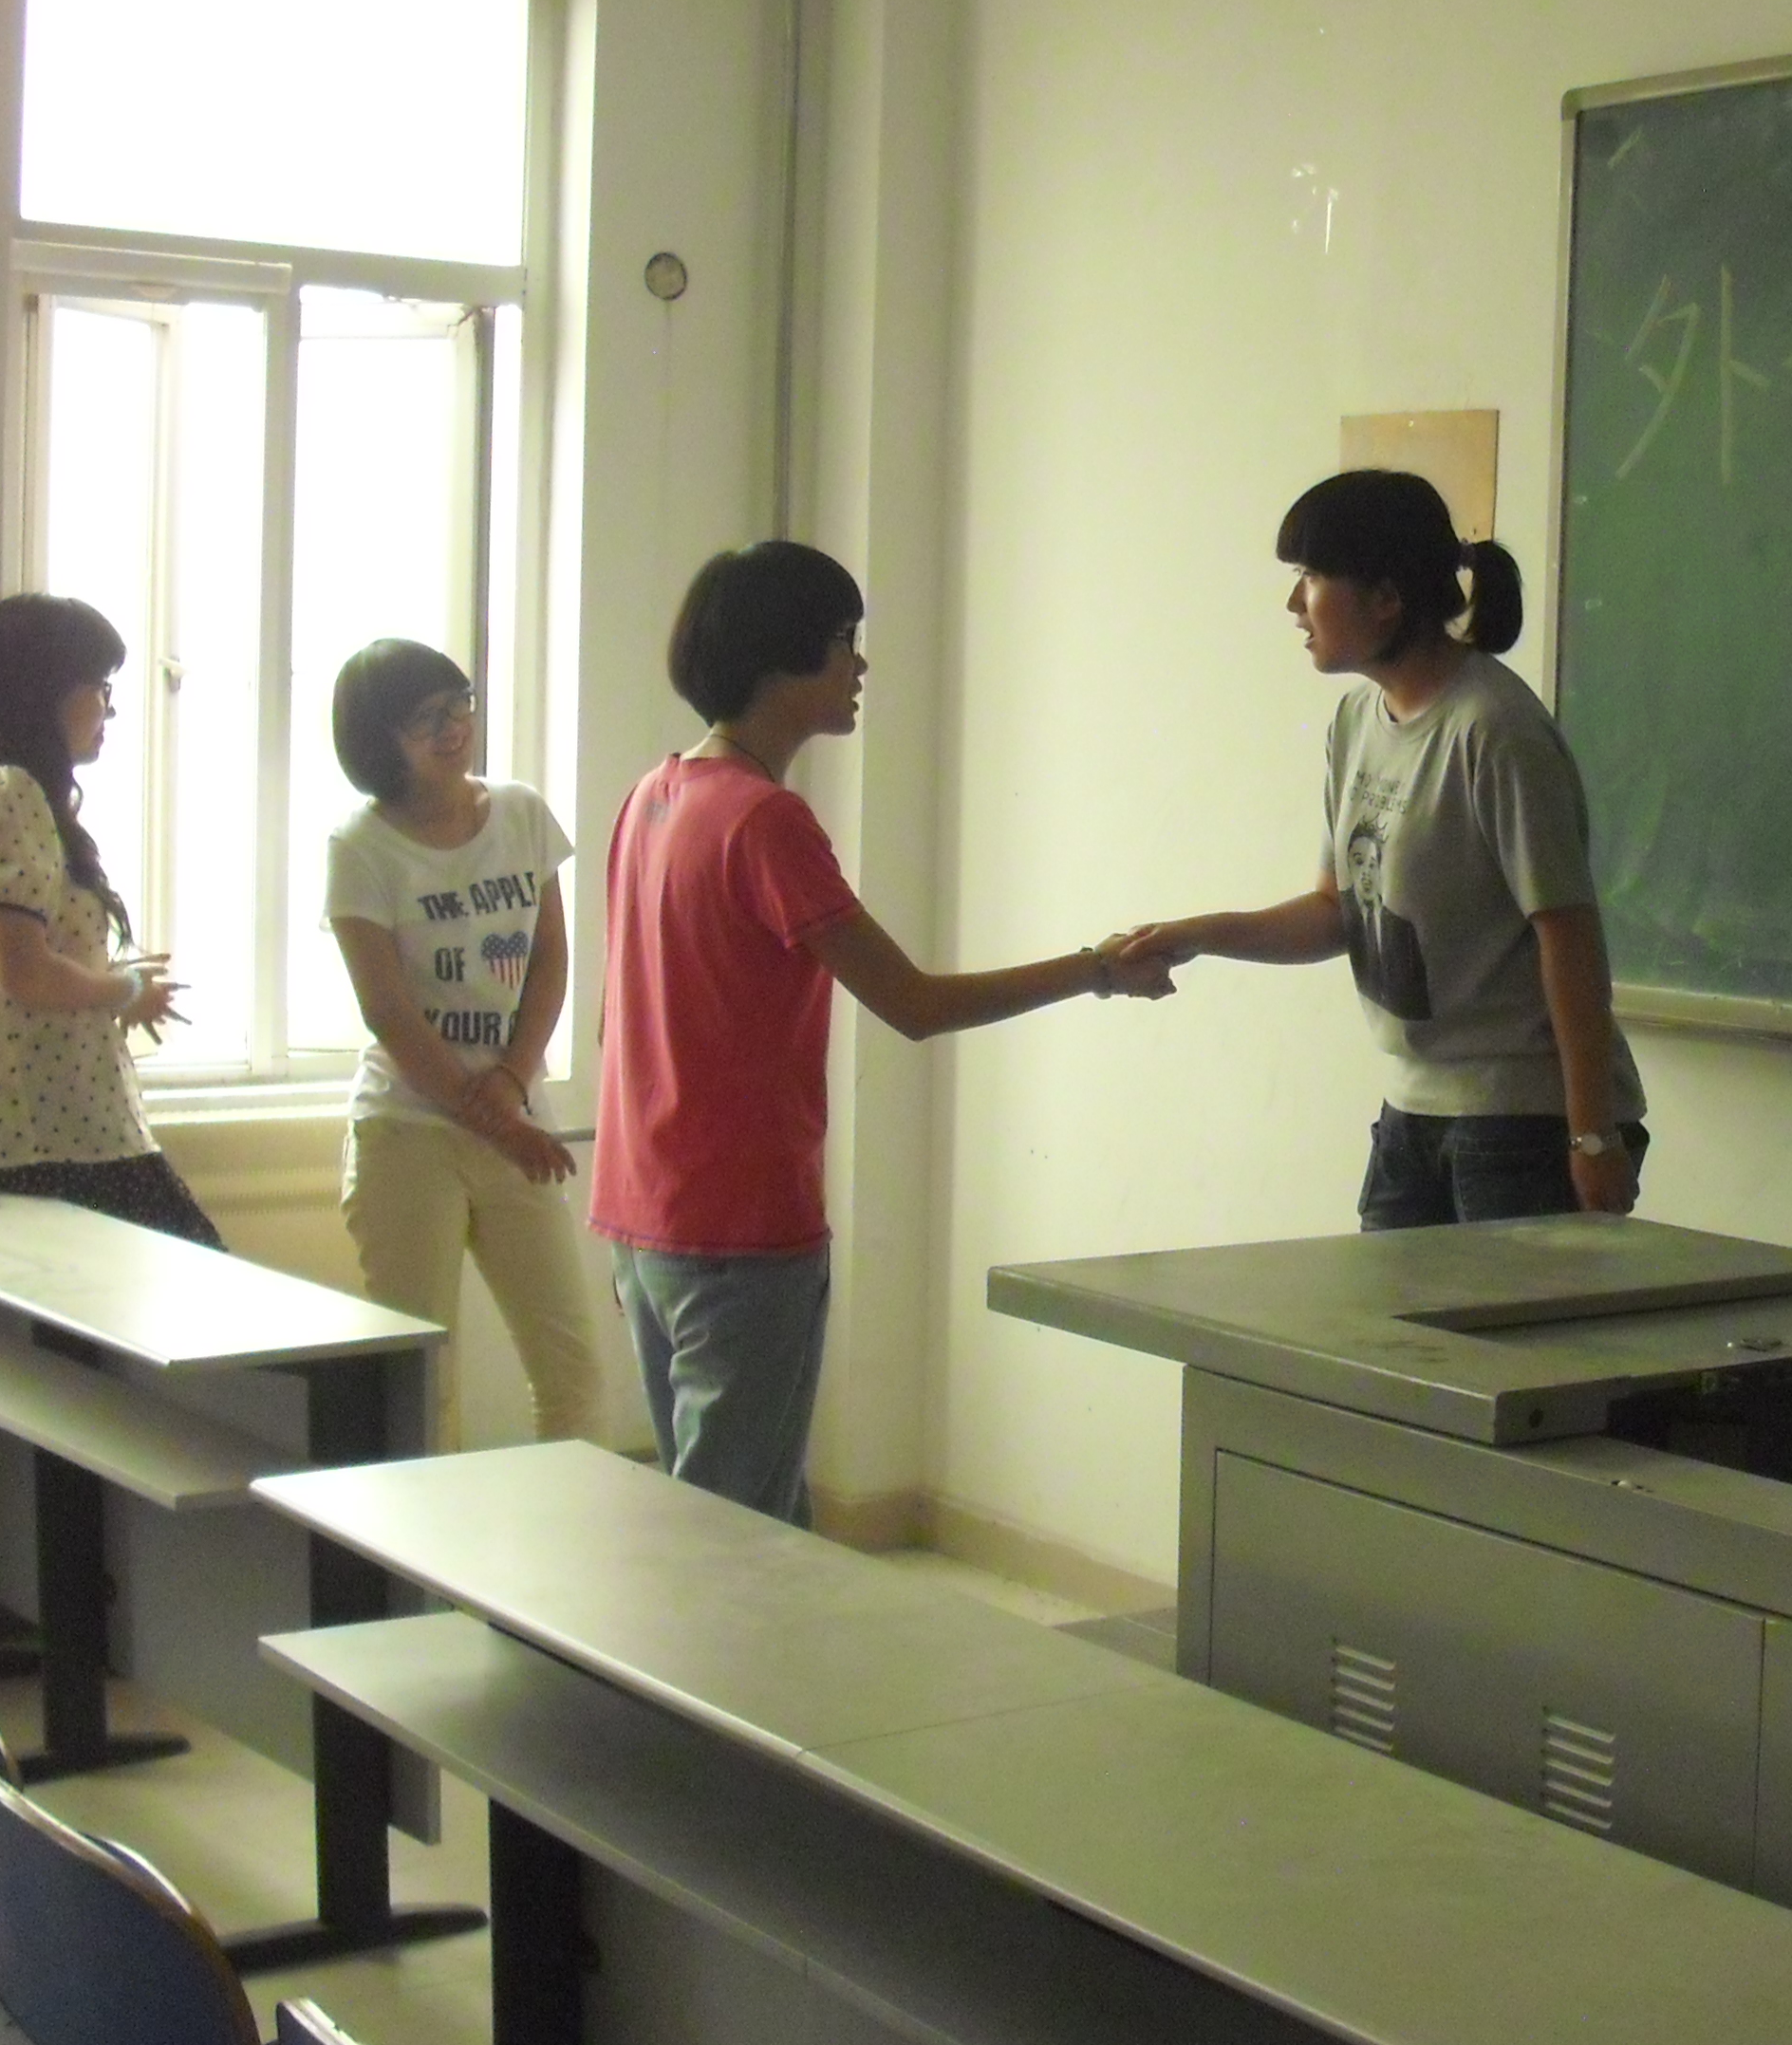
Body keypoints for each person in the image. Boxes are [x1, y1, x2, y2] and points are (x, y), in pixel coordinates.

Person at [590, 541, 1172, 1524]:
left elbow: (623, 1018)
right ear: (781, 659)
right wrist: (1097, 969)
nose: (859, 665)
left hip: (644, 1210)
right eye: (841, 642)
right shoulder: (764, 821)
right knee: (732, 1538)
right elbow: (914, 1004)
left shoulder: (654, 796)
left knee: (732, 1516)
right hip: (738, 1223)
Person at [1116, 470, 1648, 1228]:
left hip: (1524, 1122)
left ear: (1386, 598)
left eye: (1310, 578)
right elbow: (1337, 912)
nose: (1293, 604)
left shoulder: (1494, 731)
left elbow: (1568, 936)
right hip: (1412, 1112)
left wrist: (1591, 1134)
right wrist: (1196, 935)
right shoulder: (1355, 723)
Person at [324, 639, 598, 1450]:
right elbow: (388, 1012)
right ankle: (416, 1539)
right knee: (416, 1385)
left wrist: (512, 1084)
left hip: (515, 1120)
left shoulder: (520, 814)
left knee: (573, 1375)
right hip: (408, 1132)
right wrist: (499, 1118)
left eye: (460, 705)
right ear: (379, 739)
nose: (453, 728)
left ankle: (567, 1532)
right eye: (425, 718)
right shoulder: (361, 847)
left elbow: (550, 959)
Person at [0, 594, 217, 1245]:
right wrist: (123, 989)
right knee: (200, 1282)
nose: (110, 708)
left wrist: (102, 982)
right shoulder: (7, 791)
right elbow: (23, 972)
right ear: (43, 690)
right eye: (100, 687)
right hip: (55, 1138)